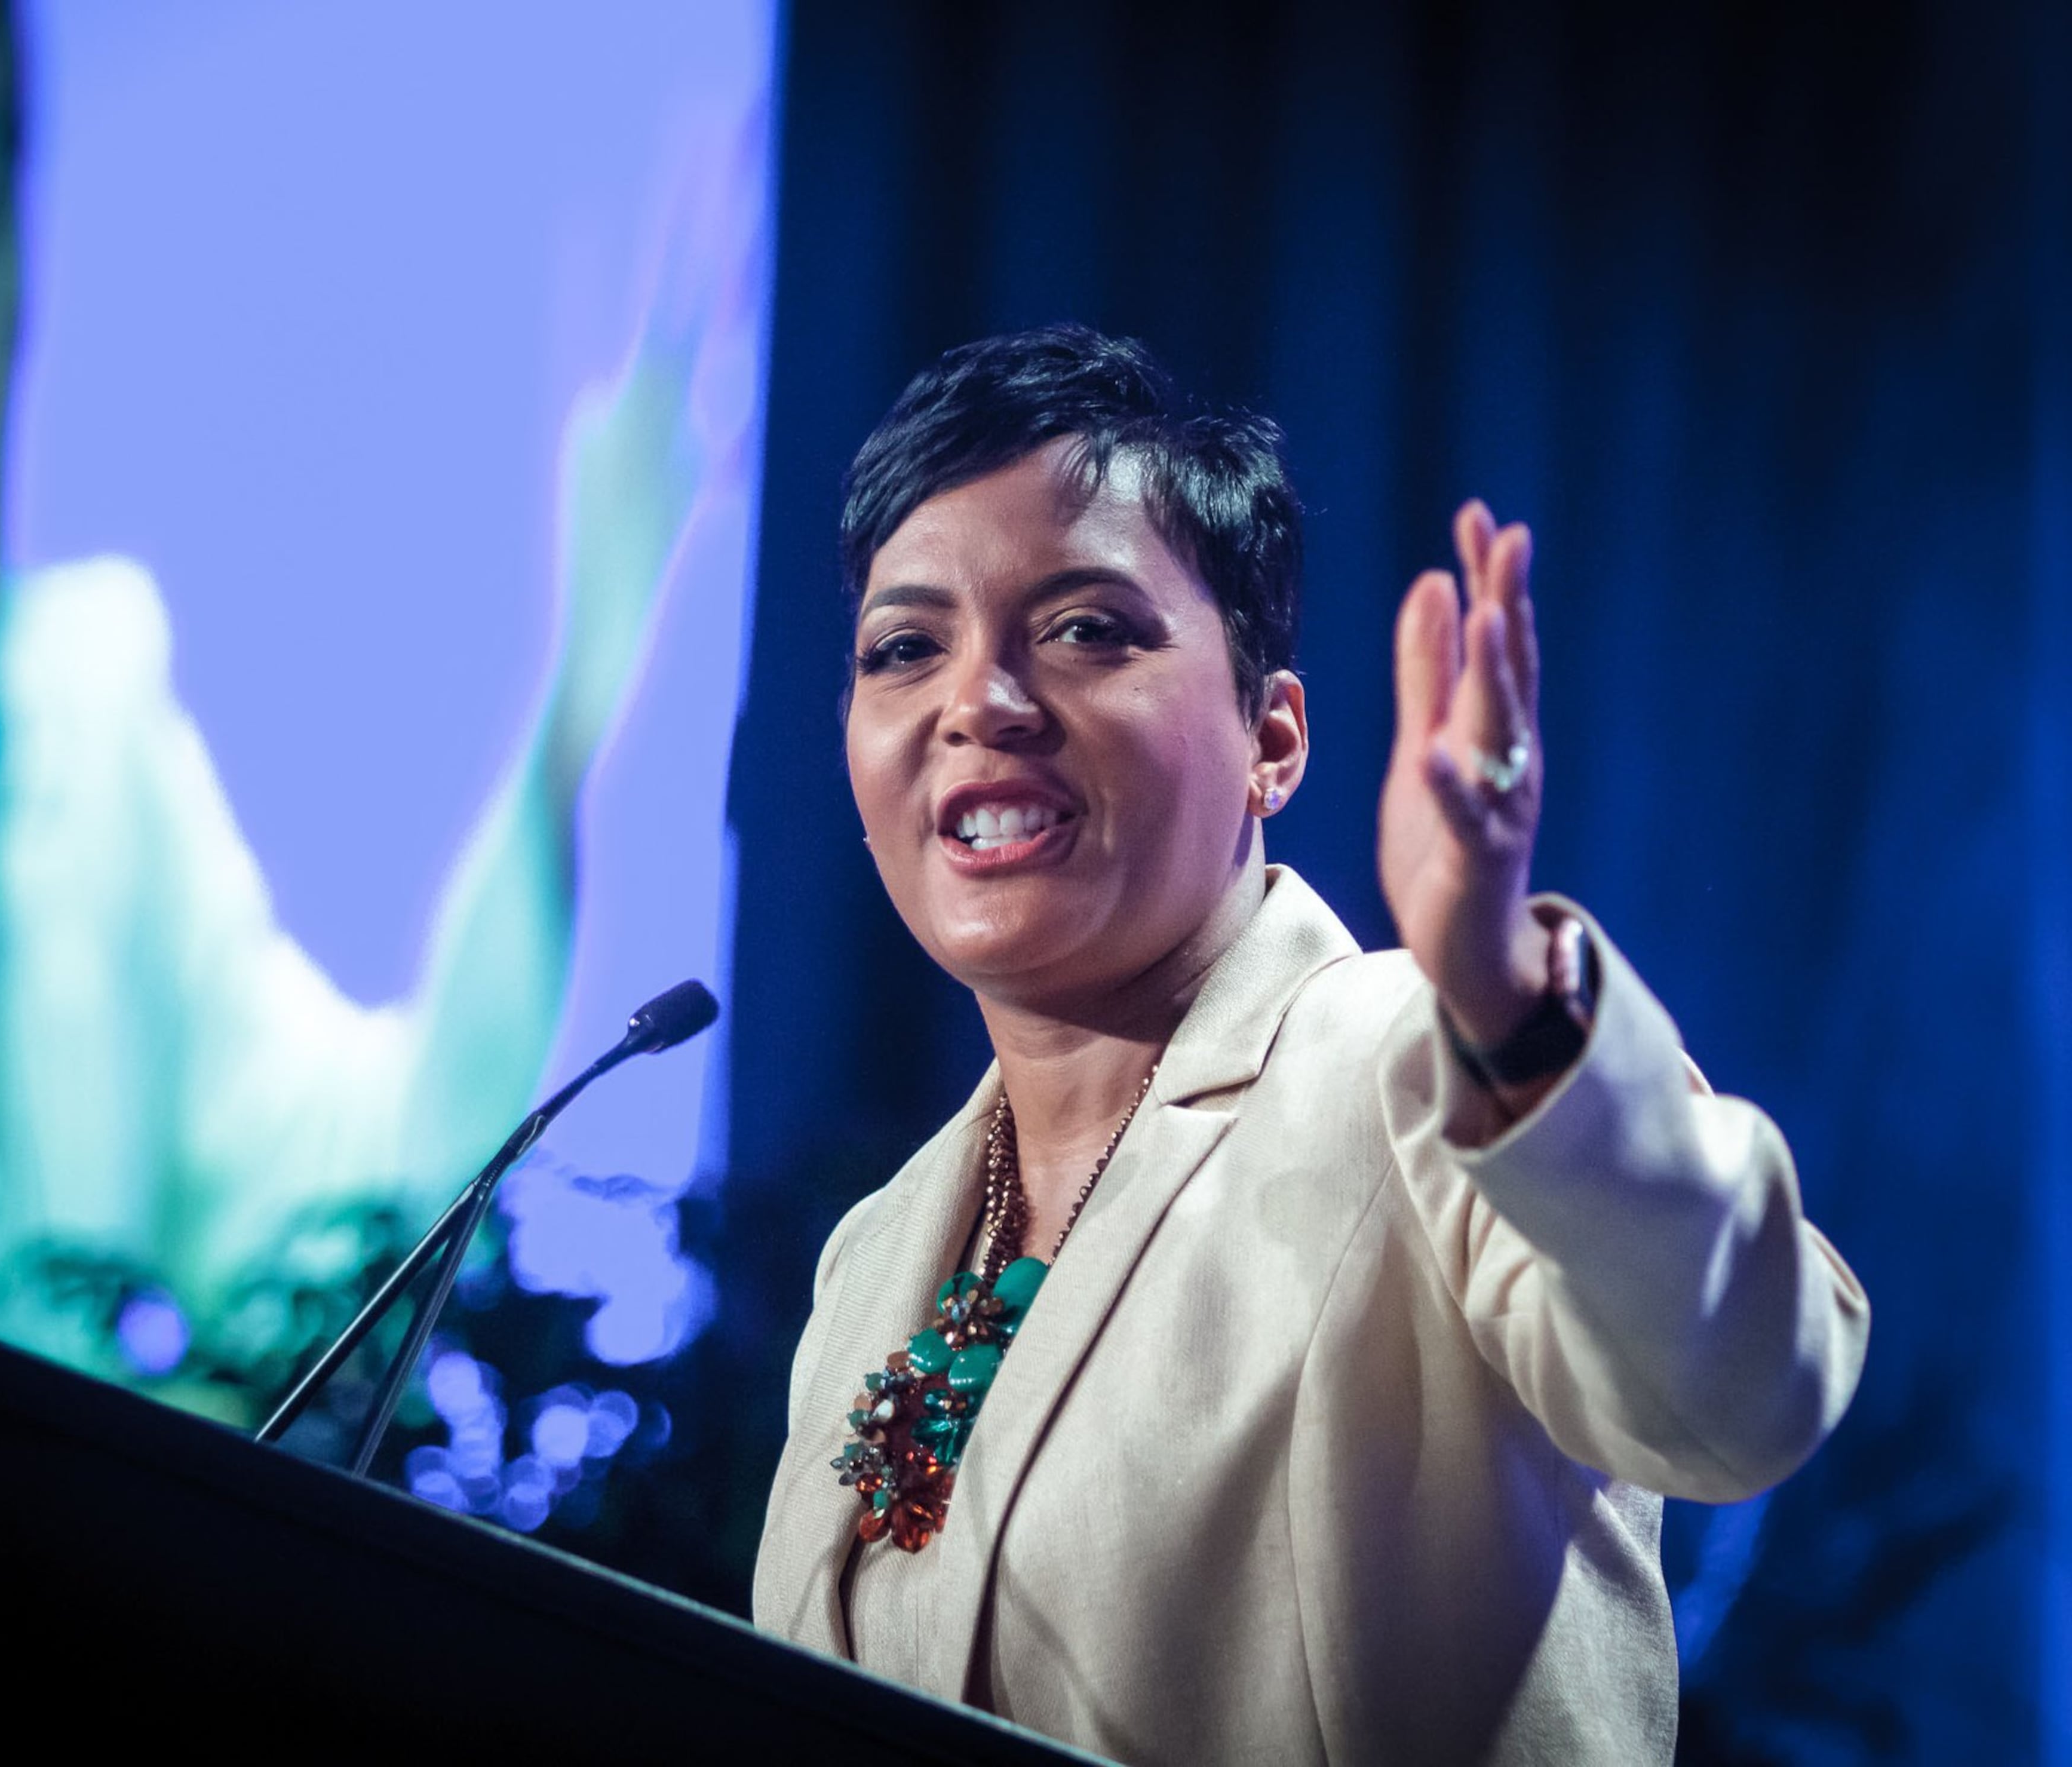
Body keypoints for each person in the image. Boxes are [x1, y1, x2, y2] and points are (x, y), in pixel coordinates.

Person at [752, 325, 1871, 1765]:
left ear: (1273, 738)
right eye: (906, 649)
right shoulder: (877, 1252)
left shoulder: (1423, 1064)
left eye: (1087, 628)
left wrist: (1508, 1001)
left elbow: (1741, 1390)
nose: (979, 704)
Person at [0, 0, 741, 1392]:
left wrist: (572, 715)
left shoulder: (89, 718)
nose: (15, 303)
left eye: (18, 211)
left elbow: (349, 1210)